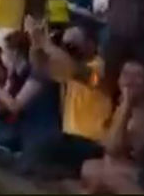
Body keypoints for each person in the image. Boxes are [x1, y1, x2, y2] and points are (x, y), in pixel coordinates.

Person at [28, 24, 113, 180]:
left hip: (94, 142)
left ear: (91, 44)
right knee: (39, 148)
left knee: (45, 148)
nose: (69, 49)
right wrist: (36, 43)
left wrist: (47, 45)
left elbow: (80, 73)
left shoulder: (99, 69)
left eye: (73, 45)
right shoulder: (67, 67)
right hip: (70, 139)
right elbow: (40, 67)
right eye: (66, 45)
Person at [81, 59, 144, 194]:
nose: (129, 81)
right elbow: (111, 147)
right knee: (91, 167)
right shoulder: (122, 106)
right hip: (131, 171)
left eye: (137, 76)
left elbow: (120, 149)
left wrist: (127, 103)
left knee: (109, 174)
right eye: (125, 74)